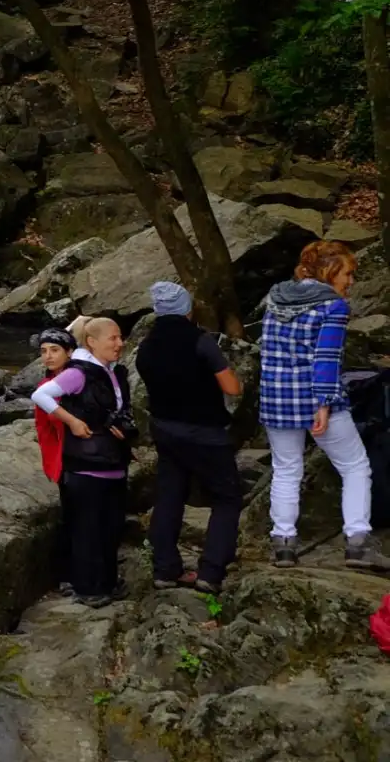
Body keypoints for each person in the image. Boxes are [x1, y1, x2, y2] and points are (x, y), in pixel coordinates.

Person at [261, 241, 390, 571]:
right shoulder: (333, 307)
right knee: (356, 465)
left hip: (276, 397)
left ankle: (284, 543)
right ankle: (358, 542)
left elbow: (269, 350)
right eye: (348, 273)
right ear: (329, 271)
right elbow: (326, 359)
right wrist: (323, 403)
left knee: (286, 468)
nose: (350, 281)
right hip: (317, 399)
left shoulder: (275, 298)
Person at [139, 281, 244, 594]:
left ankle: (165, 569)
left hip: (166, 431)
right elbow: (232, 388)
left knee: (170, 496)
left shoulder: (146, 346)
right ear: (186, 309)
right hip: (205, 433)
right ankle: (210, 572)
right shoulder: (201, 342)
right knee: (227, 498)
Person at [30, 315, 136, 606]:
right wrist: (73, 422)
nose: (120, 343)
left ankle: (107, 582)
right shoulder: (79, 373)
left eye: (119, 338)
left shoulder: (113, 371)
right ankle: (88, 588)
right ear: (92, 342)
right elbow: (42, 395)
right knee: (88, 529)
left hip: (112, 462)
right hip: (86, 465)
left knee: (111, 527)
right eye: (113, 338)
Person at [32, 328, 77, 593]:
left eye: (54, 350)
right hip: (63, 459)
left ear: (69, 352)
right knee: (72, 518)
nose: (47, 357)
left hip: (77, 458)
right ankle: (68, 575)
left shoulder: (78, 378)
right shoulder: (46, 388)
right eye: (43, 351)